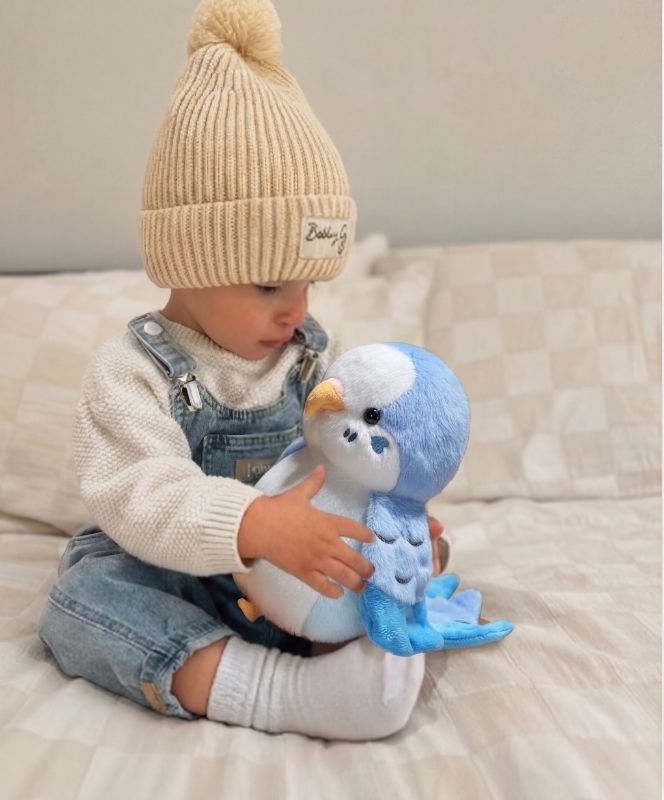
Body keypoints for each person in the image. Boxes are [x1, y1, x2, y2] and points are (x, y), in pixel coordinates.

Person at [39, 0, 446, 741]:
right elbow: (139, 492)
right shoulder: (132, 372)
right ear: (192, 262)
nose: (296, 310)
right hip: (166, 570)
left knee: (370, 563)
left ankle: (368, 644)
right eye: (269, 285)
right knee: (82, 601)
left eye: (309, 282)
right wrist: (256, 523)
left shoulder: (310, 357)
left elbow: (348, 455)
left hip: (288, 580)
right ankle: (271, 689)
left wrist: (392, 523)